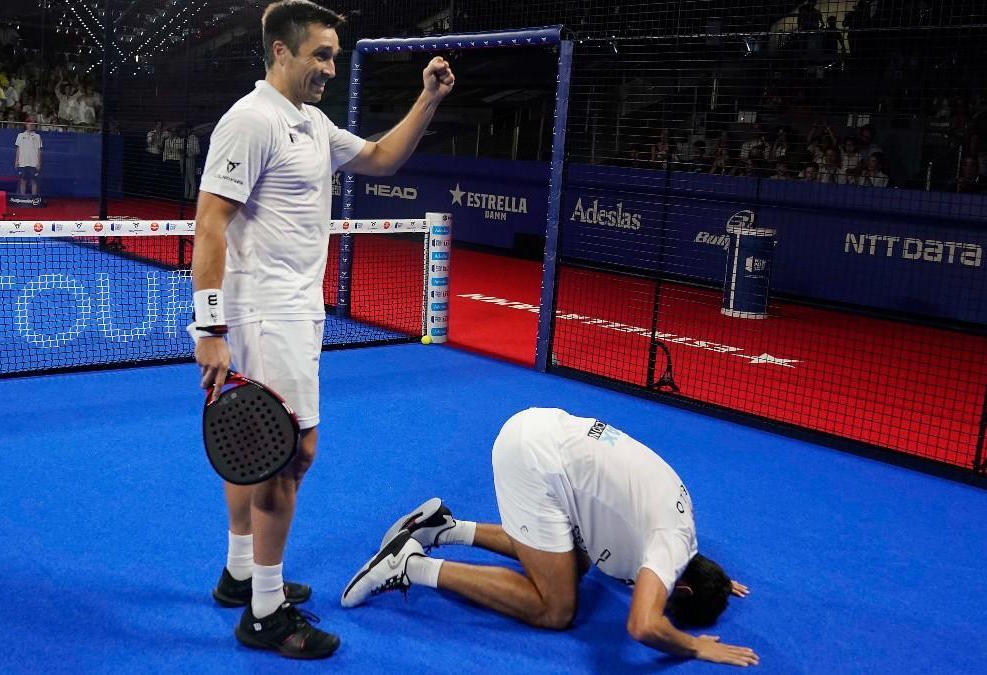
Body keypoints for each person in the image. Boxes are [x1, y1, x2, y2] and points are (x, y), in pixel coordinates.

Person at [190, 0, 454, 659]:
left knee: (258, 444)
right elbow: (211, 223)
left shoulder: (311, 122)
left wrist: (427, 99)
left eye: (335, 55)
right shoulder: (251, 121)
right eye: (321, 55)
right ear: (281, 51)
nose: (331, 67)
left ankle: (241, 572)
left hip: (294, 312)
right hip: (265, 314)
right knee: (288, 455)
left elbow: (383, 158)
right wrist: (209, 327)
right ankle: (267, 614)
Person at [342, 408, 759, 668]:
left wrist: (717, 584)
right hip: (535, 461)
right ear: (679, 585)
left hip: (547, 427)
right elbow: (642, 625)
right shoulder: (668, 549)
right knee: (556, 609)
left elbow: (677, 563)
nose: (660, 594)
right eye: (672, 599)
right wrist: (694, 647)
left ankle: (444, 529)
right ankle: (410, 566)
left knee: (576, 562)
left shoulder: (684, 535)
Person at [14, 119, 42, 195]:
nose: (30, 125)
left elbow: (39, 150)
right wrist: (16, 161)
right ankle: (22, 198)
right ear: (26, 124)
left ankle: (34, 199)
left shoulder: (37, 136)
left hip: (34, 163)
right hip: (23, 162)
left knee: (34, 181)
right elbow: (18, 149)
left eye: (32, 124)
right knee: (23, 181)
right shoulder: (20, 135)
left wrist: (39, 163)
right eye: (29, 124)